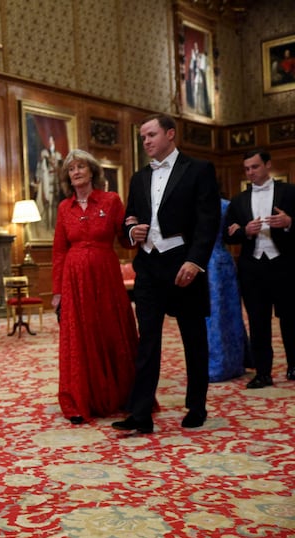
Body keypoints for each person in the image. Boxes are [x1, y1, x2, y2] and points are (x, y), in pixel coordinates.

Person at [112, 113, 220, 434]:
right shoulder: (138, 177)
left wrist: (196, 261)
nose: (145, 141)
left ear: (170, 134)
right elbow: (129, 218)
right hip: (148, 268)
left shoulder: (198, 169)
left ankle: (197, 405)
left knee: (193, 340)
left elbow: (208, 220)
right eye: (143, 137)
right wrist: (132, 231)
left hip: (184, 265)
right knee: (148, 343)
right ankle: (141, 414)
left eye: (151, 135)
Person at [51, 149, 138, 425]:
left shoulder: (111, 201)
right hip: (74, 280)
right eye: (71, 169)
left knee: (110, 330)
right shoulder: (65, 207)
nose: (75, 172)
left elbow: (125, 241)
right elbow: (58, 251)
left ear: (92, 171)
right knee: (80, 337)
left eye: (80, 167)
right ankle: (80, 399)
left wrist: (133, 229)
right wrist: (57, 293)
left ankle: (121, 395)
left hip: (106, 277)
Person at [224, 149, 295, 388]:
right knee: (257, 321)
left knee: (290, 318)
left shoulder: (290, 192)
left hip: (284, 264)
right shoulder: (238, 200)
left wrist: (289, 223)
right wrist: (245, 231)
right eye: (247, 168)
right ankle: (263, 372)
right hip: (252, 267)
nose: (250, 172)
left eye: (255, 167)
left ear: (267, 165)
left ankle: (294, 366)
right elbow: (229, 235)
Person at [205, 197, 249, 382]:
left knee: (225, 314)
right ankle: (209, 363)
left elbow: (233, 235)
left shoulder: (225, 205)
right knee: (205, 316)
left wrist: (238, 230)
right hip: (200, 263)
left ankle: (228, 363)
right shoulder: (188, 201)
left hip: (219, 264)